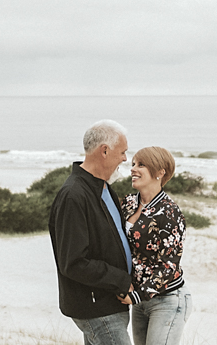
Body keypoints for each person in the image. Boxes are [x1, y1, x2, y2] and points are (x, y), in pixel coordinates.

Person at [49, 120, 134, 345]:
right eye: (123, 152)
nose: (125, 159)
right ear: (104, 151)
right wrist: (121, 280)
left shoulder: (104, 188)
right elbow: (74, 262)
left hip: (109, 301)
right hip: (97, 307)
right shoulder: (73, 195)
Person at [118, 146, 191, 345]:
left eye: (141, 165)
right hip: (140, 302)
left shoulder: (169, 213)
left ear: (160, 172)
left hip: (167, 299)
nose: (133, 169)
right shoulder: (128, 203)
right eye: (133, 164)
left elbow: (169, 265)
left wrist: (137, 295)